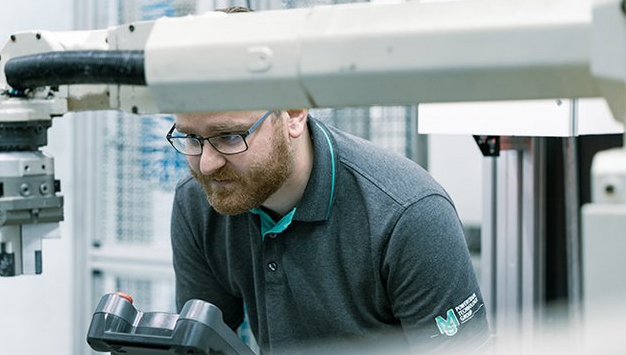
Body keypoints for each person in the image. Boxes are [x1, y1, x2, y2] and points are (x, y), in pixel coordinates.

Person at [167, 109, 491, 354]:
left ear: (293, 114)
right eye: (191, 139)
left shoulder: (407, 213)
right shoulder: (201, 201)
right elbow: (200, 343)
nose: (207, 165)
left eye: (230, 137)